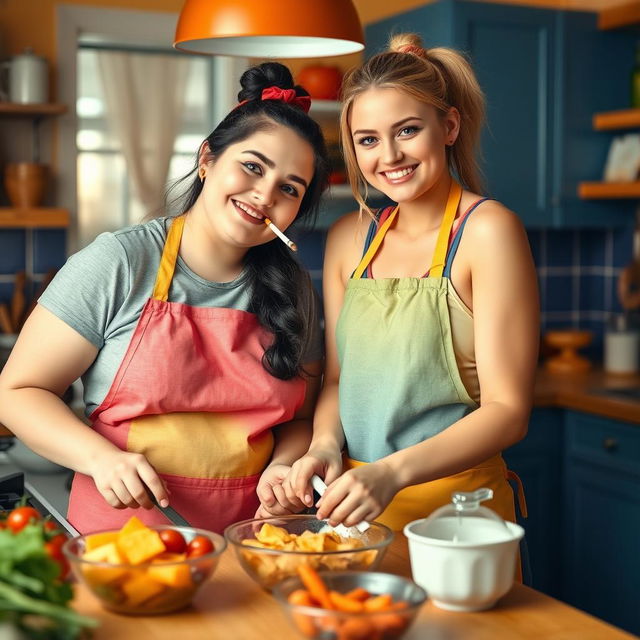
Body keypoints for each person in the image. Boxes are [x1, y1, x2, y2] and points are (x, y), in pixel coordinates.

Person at [0, 62, 329, 534]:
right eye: (252, 167)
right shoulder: (120, 261)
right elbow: (17, 394)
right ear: (208, 159)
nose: (263, 195)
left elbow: (300, 418)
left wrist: (284, 466)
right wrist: (100, 458)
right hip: (121, 539)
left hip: (253, 539)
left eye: (289, 188)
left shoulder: (294, 287)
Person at [284, 34, 539, 532]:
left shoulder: (488, 232)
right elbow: (340, 381)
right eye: (368, 140)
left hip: (458, 517)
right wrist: (321, 447)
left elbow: (508, 411)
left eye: (407, 130)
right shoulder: (349, 239)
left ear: (448, 126)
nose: (389, 156)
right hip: (355, 511)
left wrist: (391, 474)